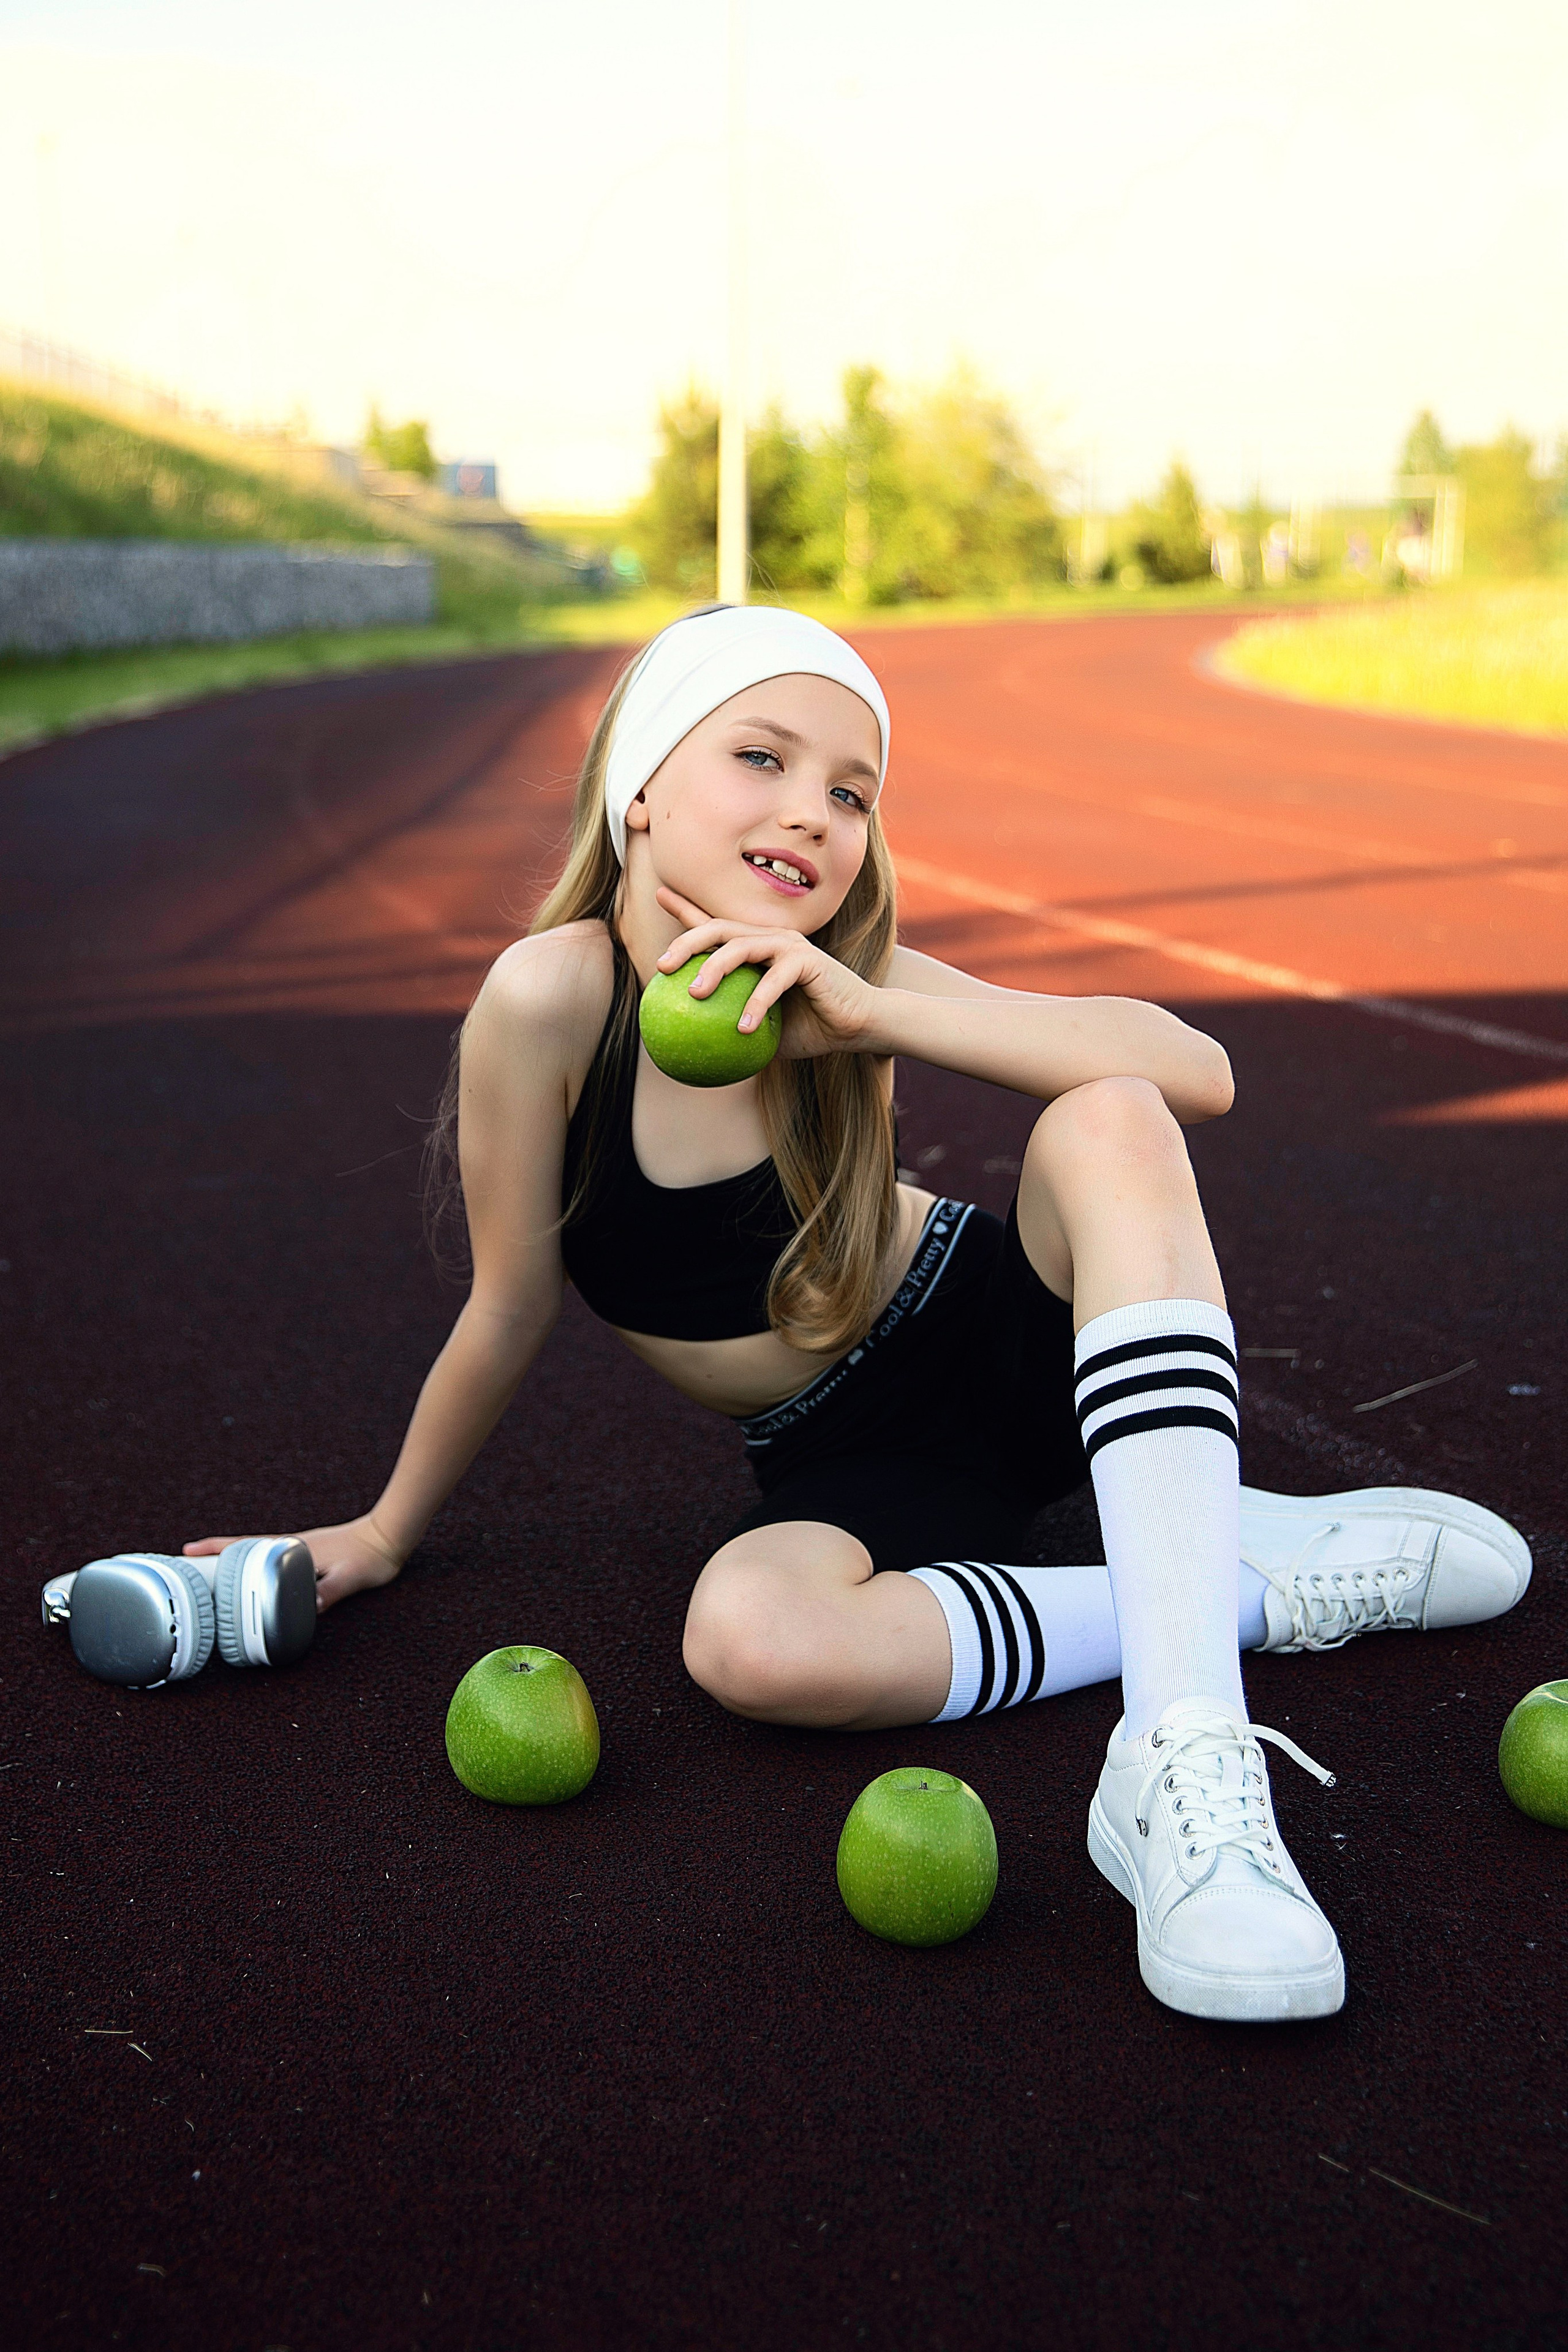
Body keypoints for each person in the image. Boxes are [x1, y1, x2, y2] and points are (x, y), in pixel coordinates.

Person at [185, 605, 1530, 2024]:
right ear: (640, 787)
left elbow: (1194, 1070)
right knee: (747, 1644)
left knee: (1112, 1115)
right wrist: (384, 1534)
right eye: (758, 759)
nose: (807, 815)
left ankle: (1181, 1745)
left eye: (847, 793)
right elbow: (510, 1306)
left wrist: (873, 1017)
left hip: (1009, 1332)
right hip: (857, 1461)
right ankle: (1237, 1590)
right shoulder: (553, 999)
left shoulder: (851, 980)